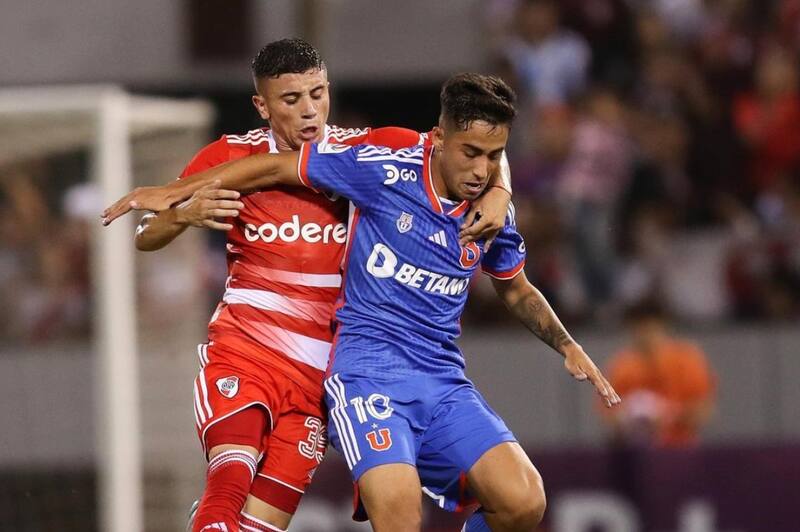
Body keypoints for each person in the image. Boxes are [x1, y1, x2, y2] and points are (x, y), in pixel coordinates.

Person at [103, 72, 620, 532]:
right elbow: (269, 169)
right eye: (292, 97)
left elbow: (515, 285)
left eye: (318, 93)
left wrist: (566, 342)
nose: (482, 169)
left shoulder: (489, 211)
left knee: (525, 502)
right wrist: (173, 196)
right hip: (362, 374)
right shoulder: (380, 167)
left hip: (441, 379)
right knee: (388, 512)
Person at [603, 302, 715, 447]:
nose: (644, 335)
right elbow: (609, 417)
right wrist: (632, 417)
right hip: (636, 456)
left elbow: (703, 411)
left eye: (649, 328)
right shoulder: (621, 366)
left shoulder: (686, 360)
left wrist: (666, 414)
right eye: (638, 328)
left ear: (662, 327)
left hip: (680, 450)